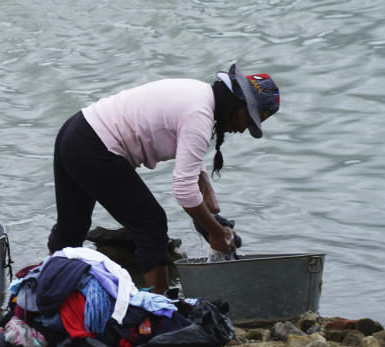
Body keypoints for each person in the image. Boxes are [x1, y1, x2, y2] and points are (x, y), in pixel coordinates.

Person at [47, 64, 280, 293]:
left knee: (71, 229)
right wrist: (218, 234)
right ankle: (157, 312)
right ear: (239, 105)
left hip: (76, 130)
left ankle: (47, 296)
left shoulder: (200, 94)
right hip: (95, 146)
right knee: (152, 225)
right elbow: (183, 190)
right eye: (248, 120)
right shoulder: (200, 115)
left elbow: (190, 157)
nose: (242, 129)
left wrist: (209, 211)